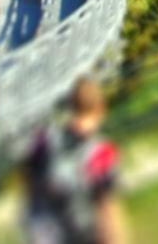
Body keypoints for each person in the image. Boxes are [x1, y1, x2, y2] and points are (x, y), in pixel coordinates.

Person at [21, 75, 124, 244]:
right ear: (100, 108)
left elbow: (29, 190)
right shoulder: (101, 152)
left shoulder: (41, 140)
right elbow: (107, 209)